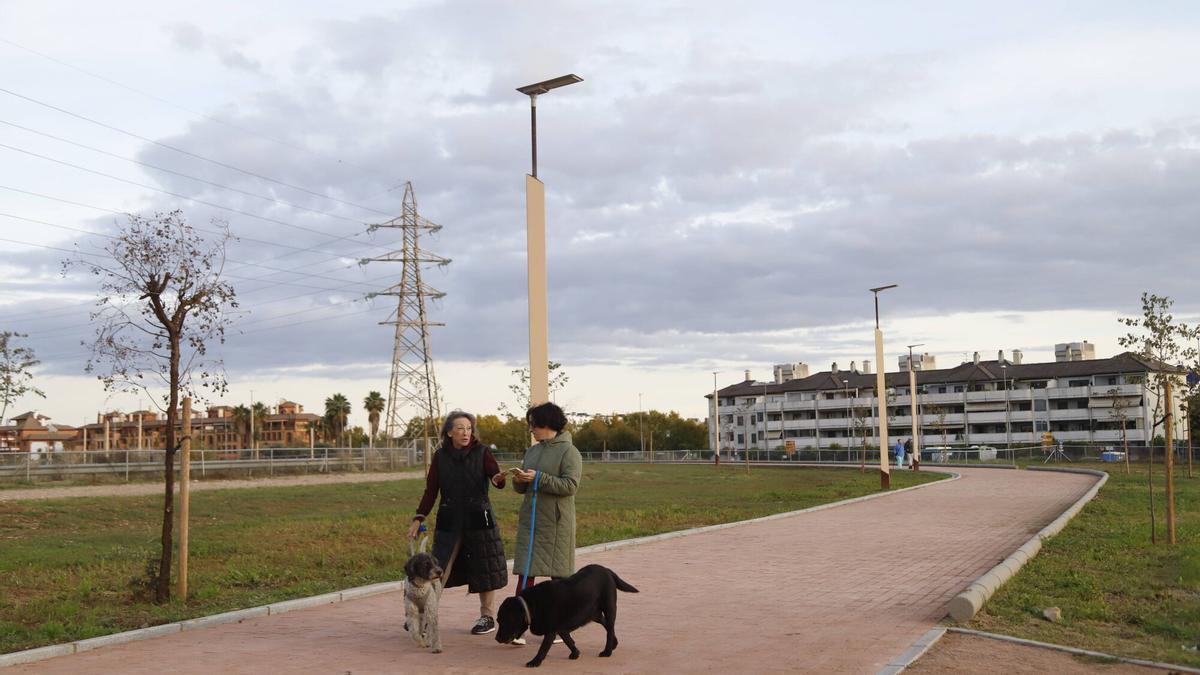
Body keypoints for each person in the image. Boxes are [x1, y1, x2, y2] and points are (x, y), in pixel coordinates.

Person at [408, 410, 508, 636]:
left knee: (485, 568)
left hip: (479, 518)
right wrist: (418, 517)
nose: (465, 432)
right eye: (460, 428)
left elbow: (496, 478)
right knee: (437, 569)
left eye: (469, 428)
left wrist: (498, 479)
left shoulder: (483, 453)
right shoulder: (440, 456)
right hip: (449, 520)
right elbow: (431, 491)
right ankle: (425, 616)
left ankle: (487, 617)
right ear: (449, 432)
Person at [511, 401, 582, 593]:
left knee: (559, 578)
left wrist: (540, 478)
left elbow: (570, 486)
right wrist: (520, 479)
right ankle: (520, 615)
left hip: (556, 524)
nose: (531, 429)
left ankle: (560, 618)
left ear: (548, 423)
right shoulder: (532, 451)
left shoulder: (569, 452)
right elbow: (522, 489)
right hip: (530, 522)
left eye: (534, 424)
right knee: (525, 574)